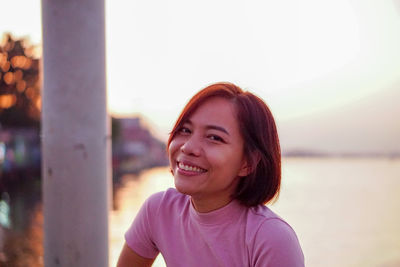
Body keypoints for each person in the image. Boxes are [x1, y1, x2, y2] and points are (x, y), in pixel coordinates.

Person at [117, 82, 304, 267]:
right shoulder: (159, 211)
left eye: (214, 137)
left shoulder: (270, 239)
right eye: (185, 130)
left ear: (248, 163)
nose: (188, 147)